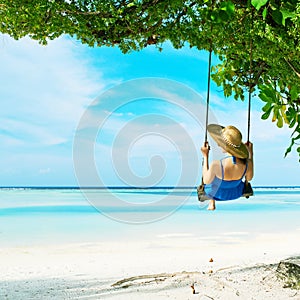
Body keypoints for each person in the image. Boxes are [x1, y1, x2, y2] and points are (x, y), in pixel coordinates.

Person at [201, 124, 254, 210]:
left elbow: (206, 181)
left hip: (216, 193)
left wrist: (205, 156)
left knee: (211, 179)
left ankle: (212, 202)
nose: (218, 145)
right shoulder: (247, 164)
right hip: (236, 192)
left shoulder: (217, 165)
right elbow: (249, 178)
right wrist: (251, 153)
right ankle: (212, 201)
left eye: (221, 143)